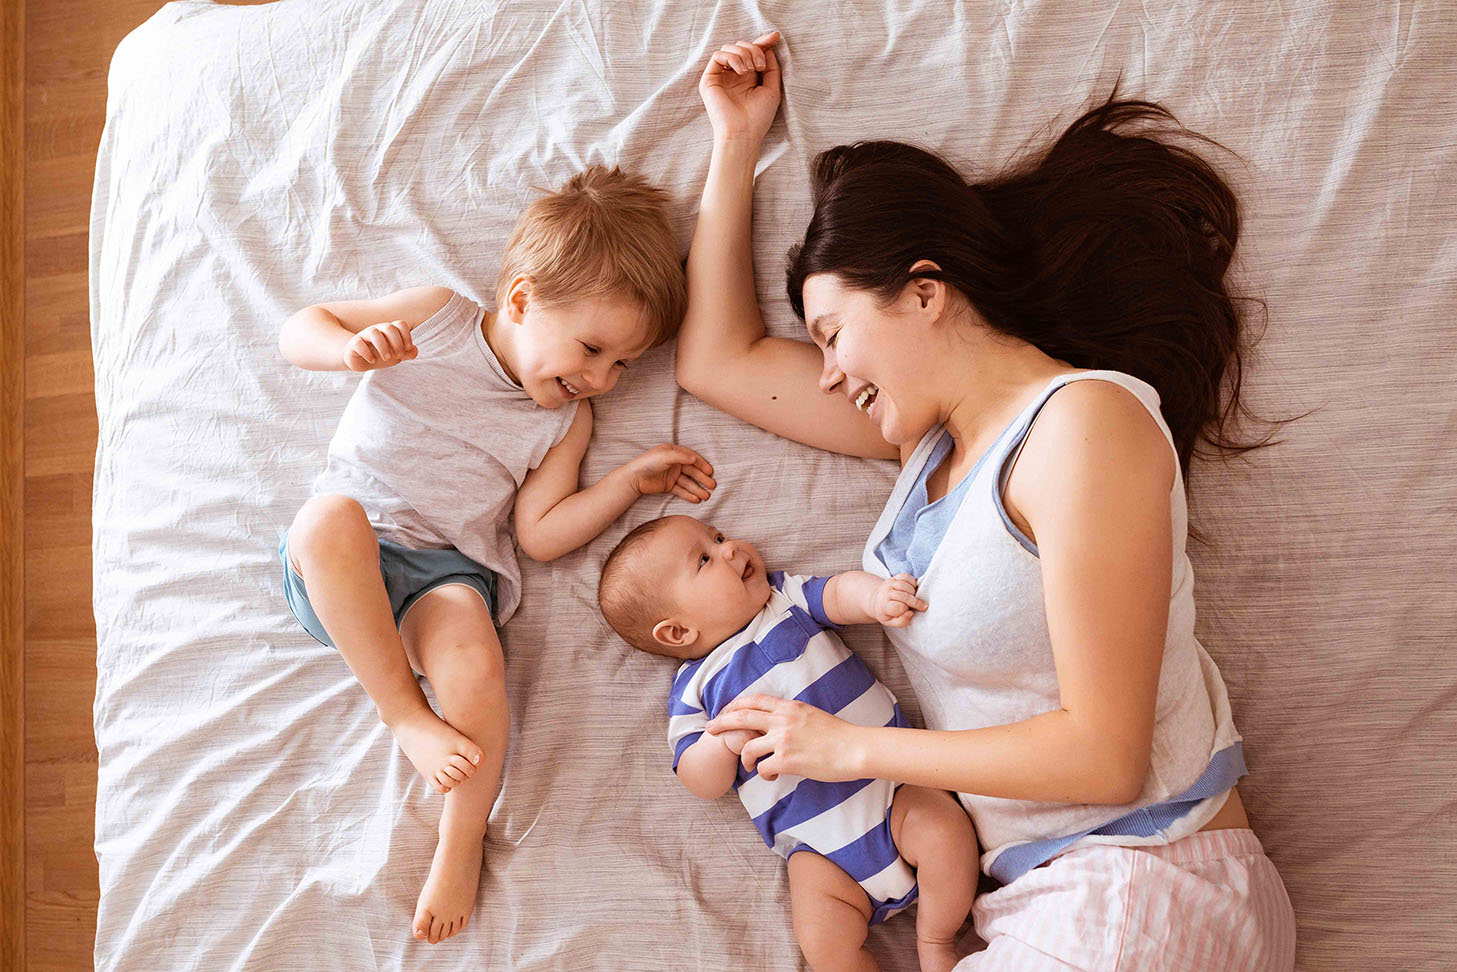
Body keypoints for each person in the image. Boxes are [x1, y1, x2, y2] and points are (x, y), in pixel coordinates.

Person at [677, 32, 1296, 970]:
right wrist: (735, 143)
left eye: (834, 333)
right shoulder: (929, 445)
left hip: (1143, 875)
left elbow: (1103, 756)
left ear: (924, 293)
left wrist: (851, 750)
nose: (830, 374)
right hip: (1053, 896)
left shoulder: (1082, 424)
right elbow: (714, 362)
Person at [277, 166, 717, 945]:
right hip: (346, 558)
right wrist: (349, 350)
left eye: (621, 366)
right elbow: (297, 328)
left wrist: (625, 483)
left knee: (478, 664)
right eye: (591, 349)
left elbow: (541, 535)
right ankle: (405, 716)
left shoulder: (563, 425)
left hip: (442, 573)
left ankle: (461, 834)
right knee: (325, 519)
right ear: (519, 299)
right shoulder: (436, 319)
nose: (599, 380)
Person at [598, 514, 977, 972]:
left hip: (893, 791)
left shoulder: (783, 600)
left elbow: (837, 594)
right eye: (705, 558)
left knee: (947, 834)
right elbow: (699, 779)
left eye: (718, 537)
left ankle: (935, 940)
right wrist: (725, 742)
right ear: (678, 632)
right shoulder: (694, 691)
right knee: (821, 939)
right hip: (819, 852)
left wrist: (875, 597)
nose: (732, 548)